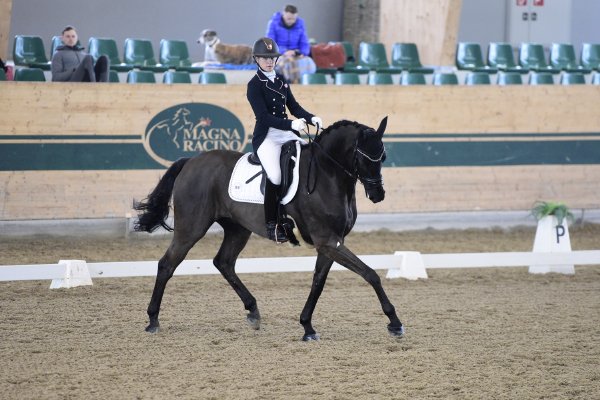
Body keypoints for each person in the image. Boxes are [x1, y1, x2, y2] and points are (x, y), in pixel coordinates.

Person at [247, 37, 323, 243]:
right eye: (264, 58)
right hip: (267, 137)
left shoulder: (281, 80)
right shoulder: (254, 85)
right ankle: (272, 225)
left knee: (311, 159)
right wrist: (291, 125)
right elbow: (263, 117)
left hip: (286, 133)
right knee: (275, 176)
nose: (269, 61)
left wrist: (310, 117)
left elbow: (294, 108)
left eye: (272, 57)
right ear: (257, 59)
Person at [265, 4, 316, 83]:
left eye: (293, 19)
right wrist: (284, 52)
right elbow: (270, 44)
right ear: (283, 14)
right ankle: (287, 84)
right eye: (289, 18)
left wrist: (300, 52)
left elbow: (304, 43)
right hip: (278, 54)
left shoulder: (301, 24)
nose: (291, 21)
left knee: (309, 62)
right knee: (285, 64)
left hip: (295, 53)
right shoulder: (273, 23)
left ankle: (298, 83)